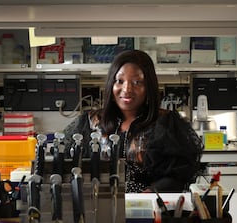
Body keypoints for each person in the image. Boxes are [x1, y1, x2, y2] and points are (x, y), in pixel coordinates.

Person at [63, 49, 203, 193]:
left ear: (148, 86)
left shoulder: (166, 123)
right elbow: (67, 168)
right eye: (120, 81)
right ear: (111, 84)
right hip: (97, 206)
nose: (127, 89)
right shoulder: (89, 123)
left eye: (137, 82)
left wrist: (150, 193)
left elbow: (179, 176)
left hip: (148, 208)